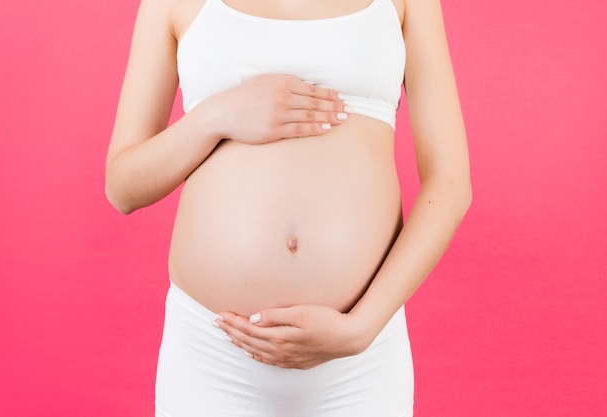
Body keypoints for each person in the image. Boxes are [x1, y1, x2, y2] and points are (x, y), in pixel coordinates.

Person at [106, 0, 471, 415]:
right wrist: (215, 116)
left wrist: (361, 328)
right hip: (213, 352)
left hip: (359, 360)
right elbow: (123, 186)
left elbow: (451, 181)